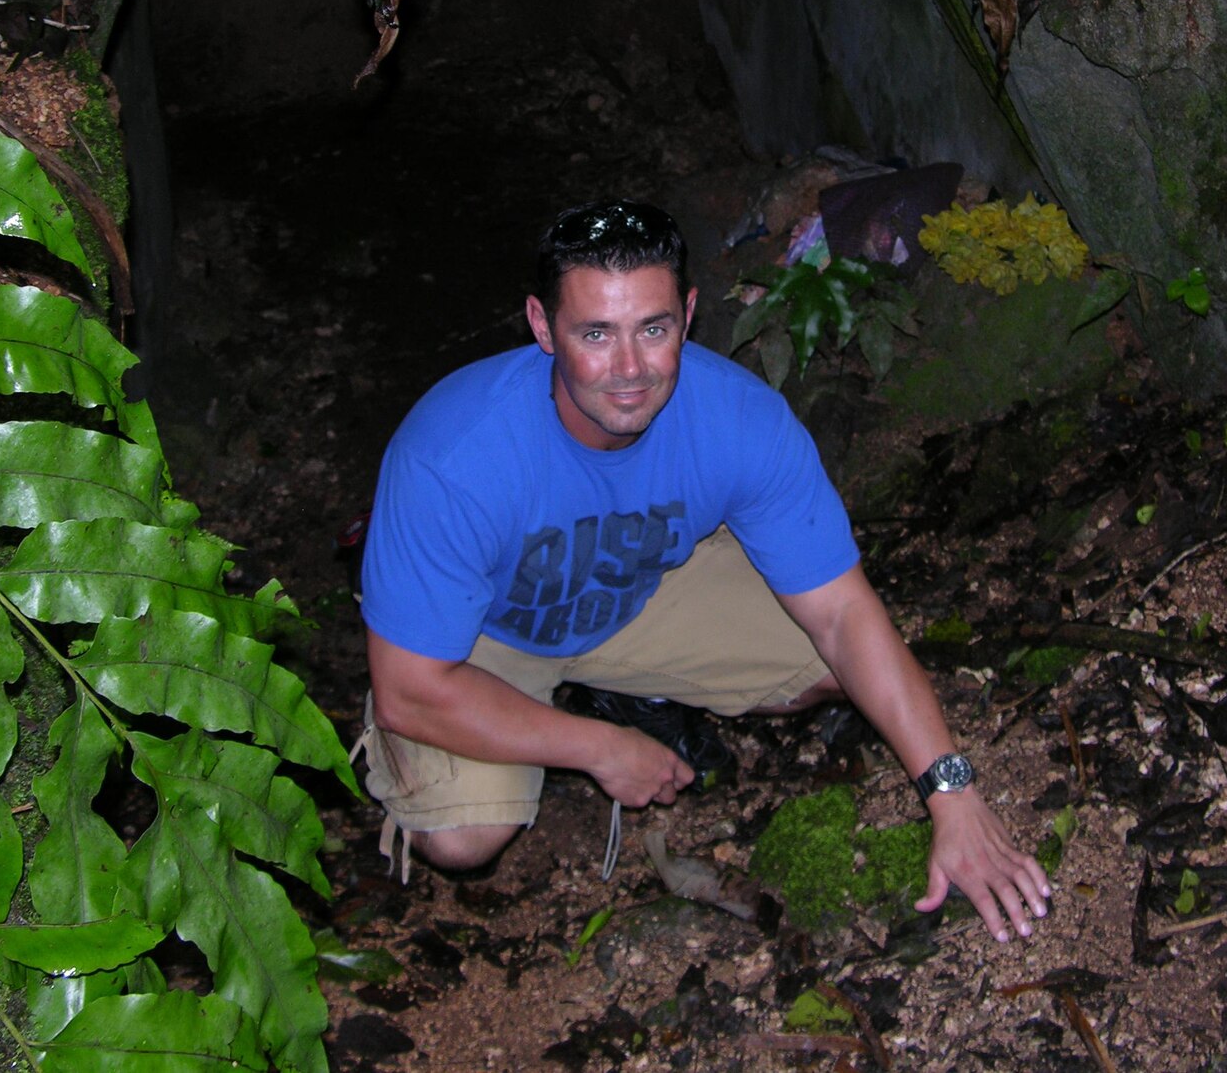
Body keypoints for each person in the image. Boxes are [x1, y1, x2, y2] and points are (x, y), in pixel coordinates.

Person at [357, 199, 1050, 942]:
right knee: (465, 841)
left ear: (687, 316)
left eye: (653, 330)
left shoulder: (740, 419)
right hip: (484, 636)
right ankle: (593, 717)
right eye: (595, 334)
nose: (629, 370)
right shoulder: (451, 457)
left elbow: (845, 615)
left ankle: (631, 691)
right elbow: (410, 693)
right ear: (540, 326)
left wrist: (952, 794)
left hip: (635, 588)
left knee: (831, 665)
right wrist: (596, 750)